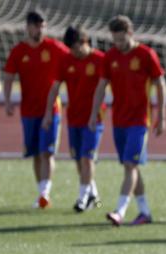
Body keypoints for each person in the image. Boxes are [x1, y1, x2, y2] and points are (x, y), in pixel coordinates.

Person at [89, 15, 166, 226]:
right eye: (115, 40)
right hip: (119, 120)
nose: (119, 44)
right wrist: (94, 114)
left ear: (130, 34)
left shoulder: (146, 54)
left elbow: (160, 84)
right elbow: (101, 87)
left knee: (131, 164)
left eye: (122, 39)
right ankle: (145, 211)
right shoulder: (110, 56)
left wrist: (162, 115)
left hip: (140, 121)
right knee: (130, 167)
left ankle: (120, 211)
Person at [3, 10, 68, 209]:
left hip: (51, 110)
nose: (39, 29)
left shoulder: (55, 48)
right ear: (28, 27)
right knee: (35, 154)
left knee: (47, 152)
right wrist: (6, 100)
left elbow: (73, 60)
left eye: (42, 25)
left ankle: (45, 193)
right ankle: (41, 190)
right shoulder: (19, 51)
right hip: (28, 110)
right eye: (36, 25)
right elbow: (8, 76)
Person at [42, 26, 105, 213]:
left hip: (94, 118)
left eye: (77, 48)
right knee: (78, 159)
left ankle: (82, 198)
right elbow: (55, 88)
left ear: (85, 42)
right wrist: (47, 113)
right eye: (71, 49)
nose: (75, 52)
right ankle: (92, 193)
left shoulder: (100, 60)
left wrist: (95, 113)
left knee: (87, 158)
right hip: (74, 117)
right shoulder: (66, 60)